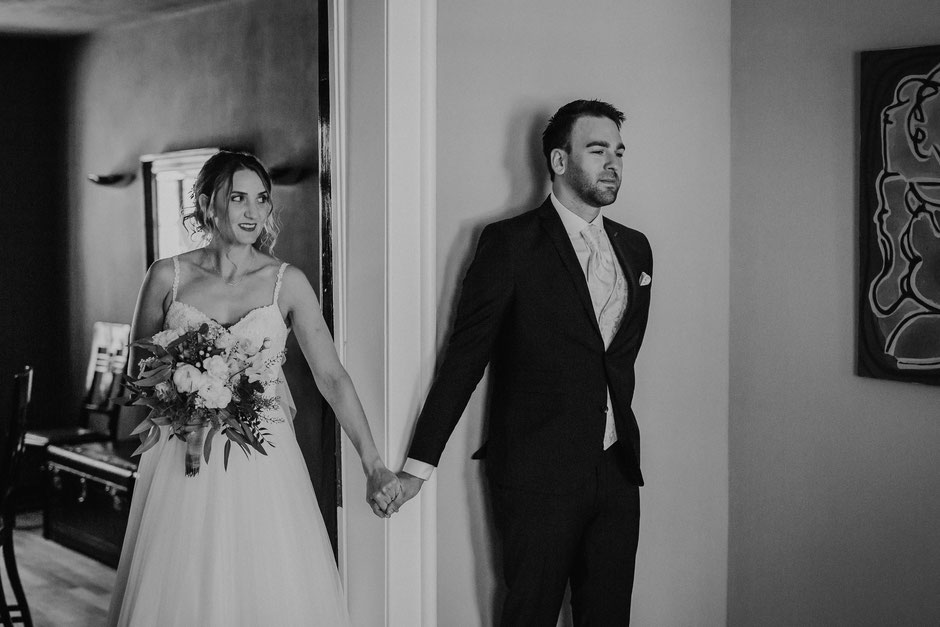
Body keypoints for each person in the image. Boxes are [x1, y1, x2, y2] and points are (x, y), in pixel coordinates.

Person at [108, 150, 400, 626]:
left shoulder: (287, 283)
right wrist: (189, 387)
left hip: (262, 461)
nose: (251, 211)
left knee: (266, 580)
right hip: (182, 460)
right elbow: (136, 371)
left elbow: (332, 376)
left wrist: (373, 464)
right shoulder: (167, 275)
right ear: (207, 203)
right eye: (237, 198)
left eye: (260, 199)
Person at [392, 100, 653, 625]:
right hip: (536, 470)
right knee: (528, 614)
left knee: (610, 617)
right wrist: (417, 467)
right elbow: (465, 359)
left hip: (616, 469)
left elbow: (611, 359)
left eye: (619, 152)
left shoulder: (637, 248)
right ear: (559, 161)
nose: (613, 163)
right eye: (597, 150)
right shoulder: (510, 244)